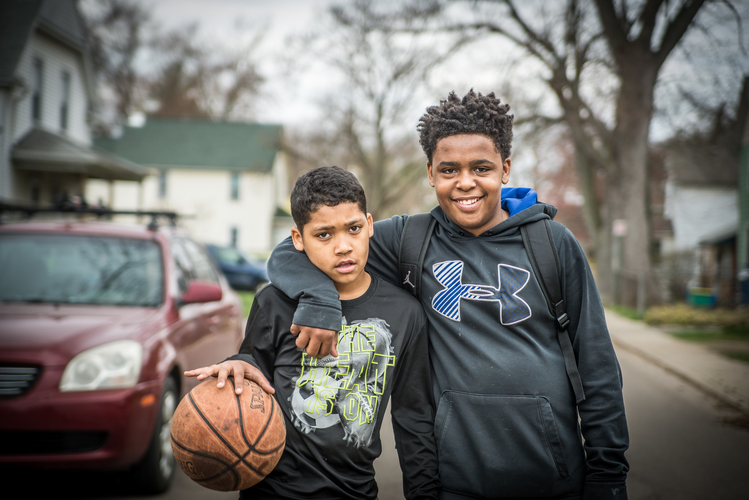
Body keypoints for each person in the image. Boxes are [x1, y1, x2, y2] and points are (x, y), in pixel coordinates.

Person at [266, 90, 630, 500]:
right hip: (454, 484)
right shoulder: (409, 239)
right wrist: (320, 299)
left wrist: (608, 476)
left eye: (481, 167)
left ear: (505, 169)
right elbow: (292, 250)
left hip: (554, 481)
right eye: (449, 169)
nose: (465, 182)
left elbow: (597, 367)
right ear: (430, 173)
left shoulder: (552, 244)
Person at [185, 166, 439, 500]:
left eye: (353, 228)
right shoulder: (274, 302)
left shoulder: (406, 313)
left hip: (355, 490)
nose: (343, 246)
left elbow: (414, 418)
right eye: (324, 235)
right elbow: (252, 365)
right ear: (297, 239)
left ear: (370, 226)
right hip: (273, 491)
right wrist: (237, 364)